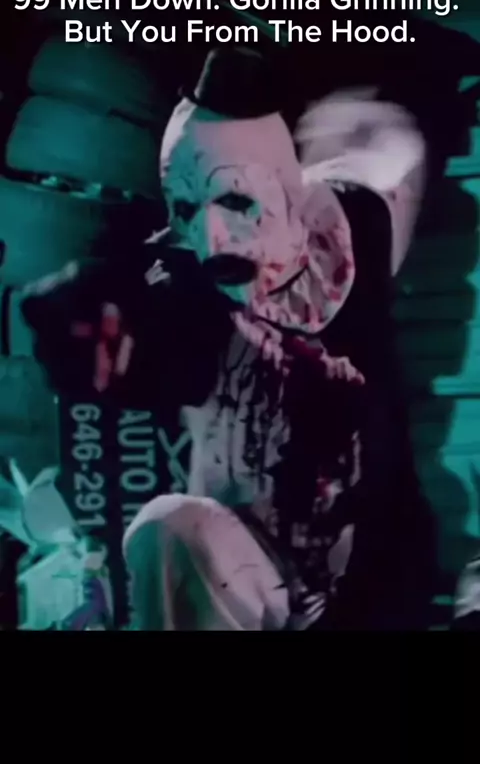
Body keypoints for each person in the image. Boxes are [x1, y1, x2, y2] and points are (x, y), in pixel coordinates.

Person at [21, 47, 436, 630]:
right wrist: (88, 316)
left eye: (234, 201)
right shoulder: (178, 282)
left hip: (371, 589)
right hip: (253, 573)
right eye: (188, 208)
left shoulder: (353, 222)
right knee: (165, 530)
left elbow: (380, 148)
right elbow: (134, 315)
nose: (212, 235)